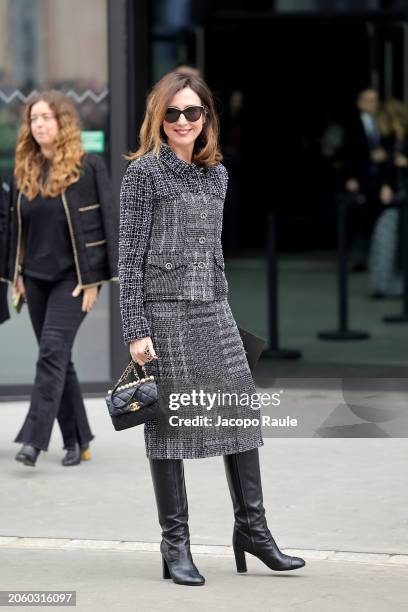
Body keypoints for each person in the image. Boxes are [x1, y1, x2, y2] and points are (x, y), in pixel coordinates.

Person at [118, 71, 305, 586]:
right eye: (173, 113)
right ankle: (175, 544)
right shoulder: (144, 175)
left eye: (192, 113)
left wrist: (225, 308)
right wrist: (135, 328)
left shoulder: (216, 173)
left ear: (206, 119)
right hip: (164, 313)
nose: (182, 121)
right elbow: (129, 259)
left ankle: (253, 529)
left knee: (240, 417)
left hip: (213, 309)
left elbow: (214, 251)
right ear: (159, 117)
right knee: (169, 426)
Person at [2, 90, 118, 467]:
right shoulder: (24, 170)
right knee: (58, 358)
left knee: (52, 351)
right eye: (33, 118)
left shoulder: (88, 166)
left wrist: (96, 279)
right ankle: (78, 438)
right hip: (34, 279)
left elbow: (107, 223)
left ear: (62, 122)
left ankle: (34, 440)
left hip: (73, 281)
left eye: (46, 117)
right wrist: (15, 271)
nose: (38, 124)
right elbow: (14, 227)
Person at [343, 88, 392, 270]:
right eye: (370, 100)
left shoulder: (383, 123)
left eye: (376, 100)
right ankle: (358, 258)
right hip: (361, 176)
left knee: (378, 218)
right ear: (360, 103)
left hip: (380, 178)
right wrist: (350, 177)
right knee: (360, 219)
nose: (374, 104)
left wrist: (384, 155)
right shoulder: (353, 125)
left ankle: (377, 258)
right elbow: (348, 152)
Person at [368, 98, 408, 297]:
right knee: (386, 236)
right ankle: (383, 284)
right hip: (398, 198)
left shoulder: (403, 139)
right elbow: (391, 171)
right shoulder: (393, 140)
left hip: (403, 198)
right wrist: (386, 185)